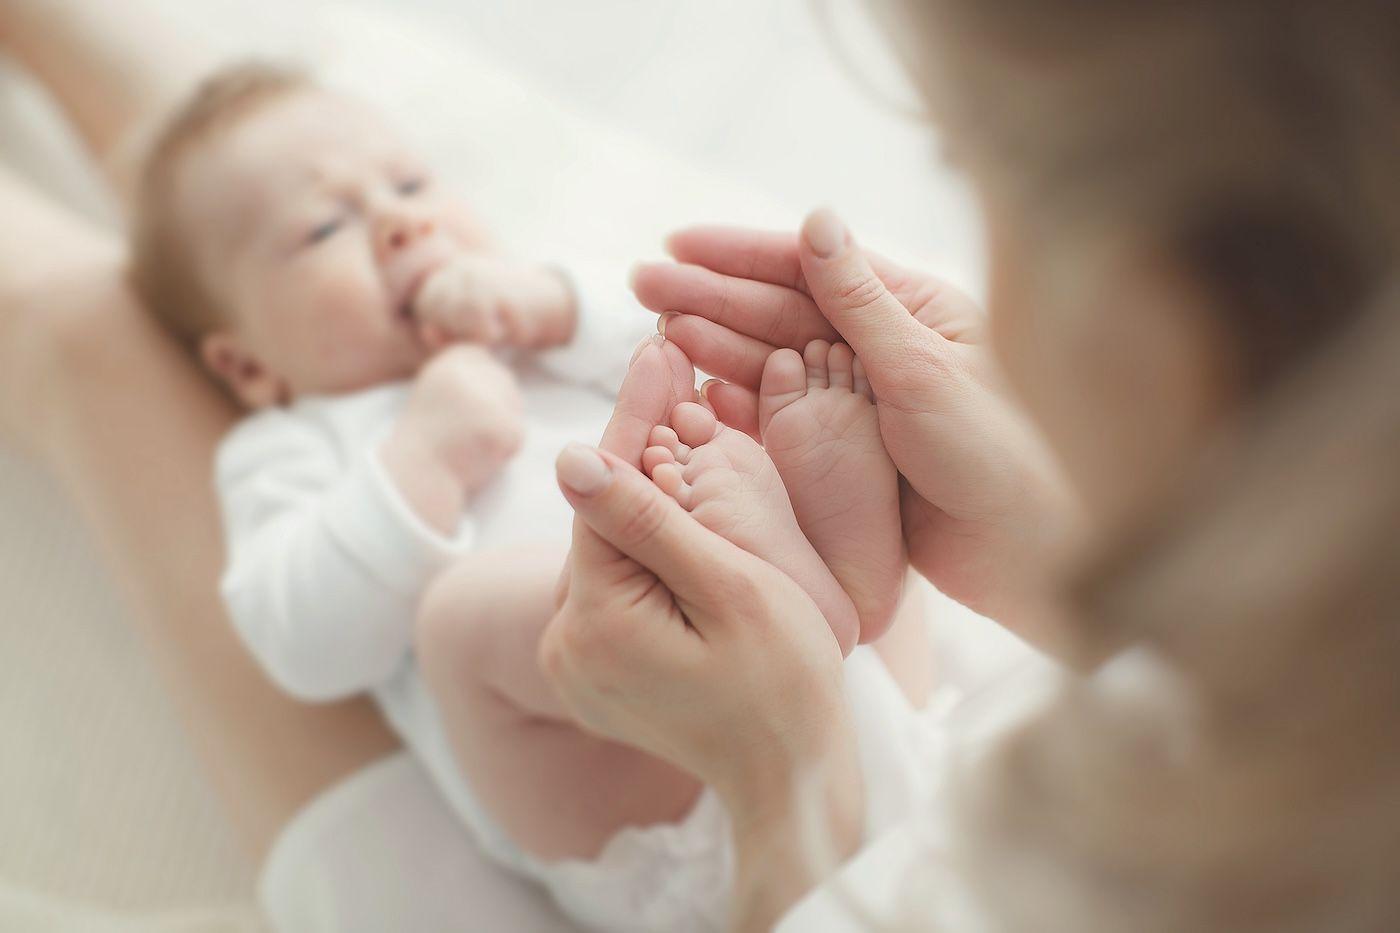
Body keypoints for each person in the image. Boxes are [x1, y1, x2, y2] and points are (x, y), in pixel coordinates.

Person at [0, 2, 937, 930]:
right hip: (631, 780)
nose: (401, 225)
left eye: (410, 184)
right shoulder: (291, 445)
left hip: (860, 721)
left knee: (735, 396)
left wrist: (553, 305)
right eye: (323, 232)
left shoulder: (529, 332)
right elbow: (300, 643)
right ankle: (782, 579)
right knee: (461, 619)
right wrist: (423, 461)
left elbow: (662, 340)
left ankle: (818, 583)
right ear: (249, 367)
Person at [542, 0, 1400, 930]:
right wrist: (1045, 556)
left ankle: (836, 614)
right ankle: (846, 600)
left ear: (1174, 303)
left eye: (976, 168)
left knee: (450, 635)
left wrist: (783, 782)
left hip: (804, 842)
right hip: (926, 767)